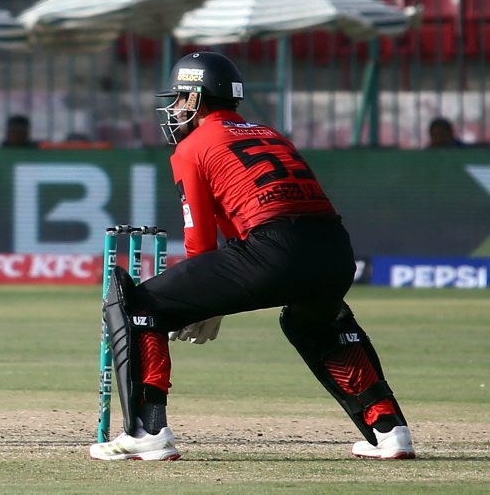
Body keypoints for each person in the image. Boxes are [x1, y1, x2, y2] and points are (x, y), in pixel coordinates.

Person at [89, 52, 415, 461]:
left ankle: (147, 432)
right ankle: (389, 430)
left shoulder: (193, 147)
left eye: (180, 99)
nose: (174, 109)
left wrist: (204, 304)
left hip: (275, 250)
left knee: (136, 303)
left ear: (196, 98)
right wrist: (214, 298)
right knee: (313, 322)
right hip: (335, 252)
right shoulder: (272, 134)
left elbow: (200, 242)